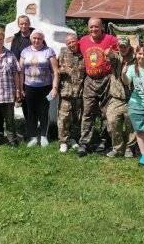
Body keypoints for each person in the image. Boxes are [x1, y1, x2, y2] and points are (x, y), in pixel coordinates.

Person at [78, 17, 119, 157]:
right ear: (88, 28)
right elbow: (73, 50)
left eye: (96, 27)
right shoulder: (82, 41)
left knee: (105, 113)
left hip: (106, 80)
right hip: (90, 80)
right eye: (91, 27)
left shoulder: (111, 39)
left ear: (102, 27)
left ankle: (103, 140)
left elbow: (122, 54)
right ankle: (84, 143)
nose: (94, 29)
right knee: (87, 112)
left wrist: (112, 54)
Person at [19, 30, 59, 147]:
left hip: (45, 87)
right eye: (34, 38)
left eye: (39, 38)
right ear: (31, 39)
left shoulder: (48, 51)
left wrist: (54, 87)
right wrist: (20, 88)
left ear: (43, 39)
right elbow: (20, 71)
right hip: (29, 87)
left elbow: (55, 71)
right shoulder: (25, 51)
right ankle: (33, 137)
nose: (36, 40)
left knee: (43, 111)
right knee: (31, 112)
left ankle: (43, 136)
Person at [105, 37, 135, 158]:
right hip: (117, 97)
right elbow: (109, 55)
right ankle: (117, 148)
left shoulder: (135, 59)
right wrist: (109, 51)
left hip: (133, 97)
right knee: (112, 121)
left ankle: (129, 148)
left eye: (125, 46)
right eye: (120, 46)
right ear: (118, 47)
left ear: (129, 47)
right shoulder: (116, 58)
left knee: (131, 124)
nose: (123, 48)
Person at [57, 33, 85, 153]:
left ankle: (73, 139)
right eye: (69, 43)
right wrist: (63, 70)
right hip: (66, 91)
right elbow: (55, 69)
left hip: (80, 92)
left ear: (77, 41)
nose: (71, 44)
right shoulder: (63, 52)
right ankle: (63, 141)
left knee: (77, 117)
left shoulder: (84, 53)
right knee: (63, 117)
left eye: (73, 41)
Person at [10, 15, 35, 128]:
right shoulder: (16, 38)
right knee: (25, 102)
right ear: (18, 25)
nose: (24, 26)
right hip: (21, 75)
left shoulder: (36, 36)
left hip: (35, 75)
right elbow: (13, 56)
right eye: (21, 24)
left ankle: (39, 127)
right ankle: (29, 126)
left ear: (29, 24)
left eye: (26, 23)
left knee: (36, 102)